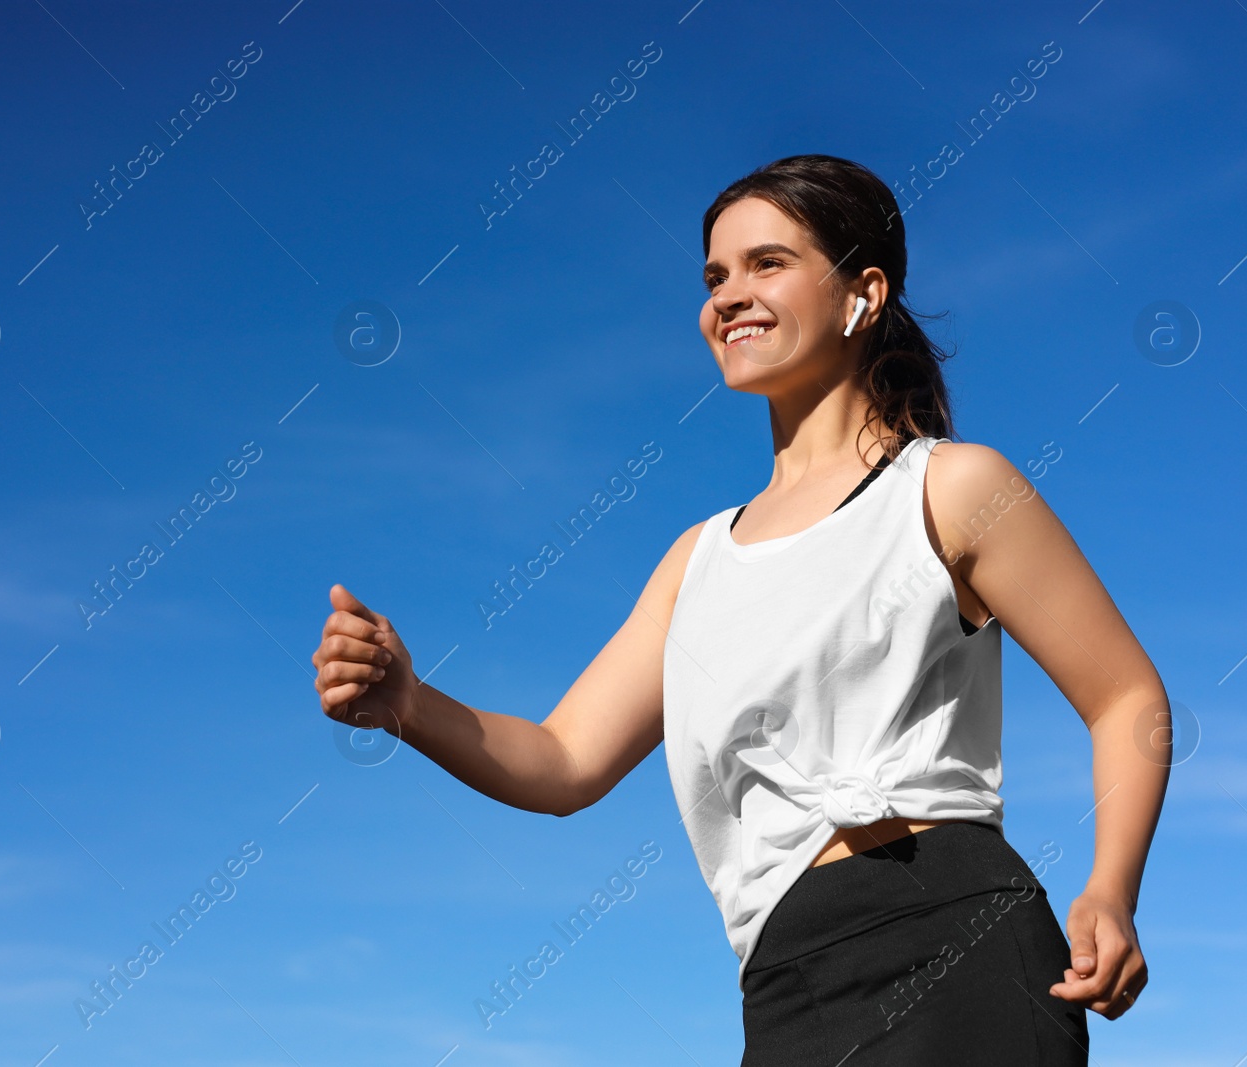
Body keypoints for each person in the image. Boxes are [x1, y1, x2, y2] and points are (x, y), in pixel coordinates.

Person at [311, 154, 1168, 1065]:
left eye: (768, 263)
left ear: (862, 294)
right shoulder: (697, 560)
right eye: (715, 275)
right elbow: (563, 762)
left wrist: (1111, 888)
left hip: (953, 936)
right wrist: (407, 702)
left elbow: (1126, 698)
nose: (729, 296)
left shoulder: (952, 487)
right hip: (785, 981)